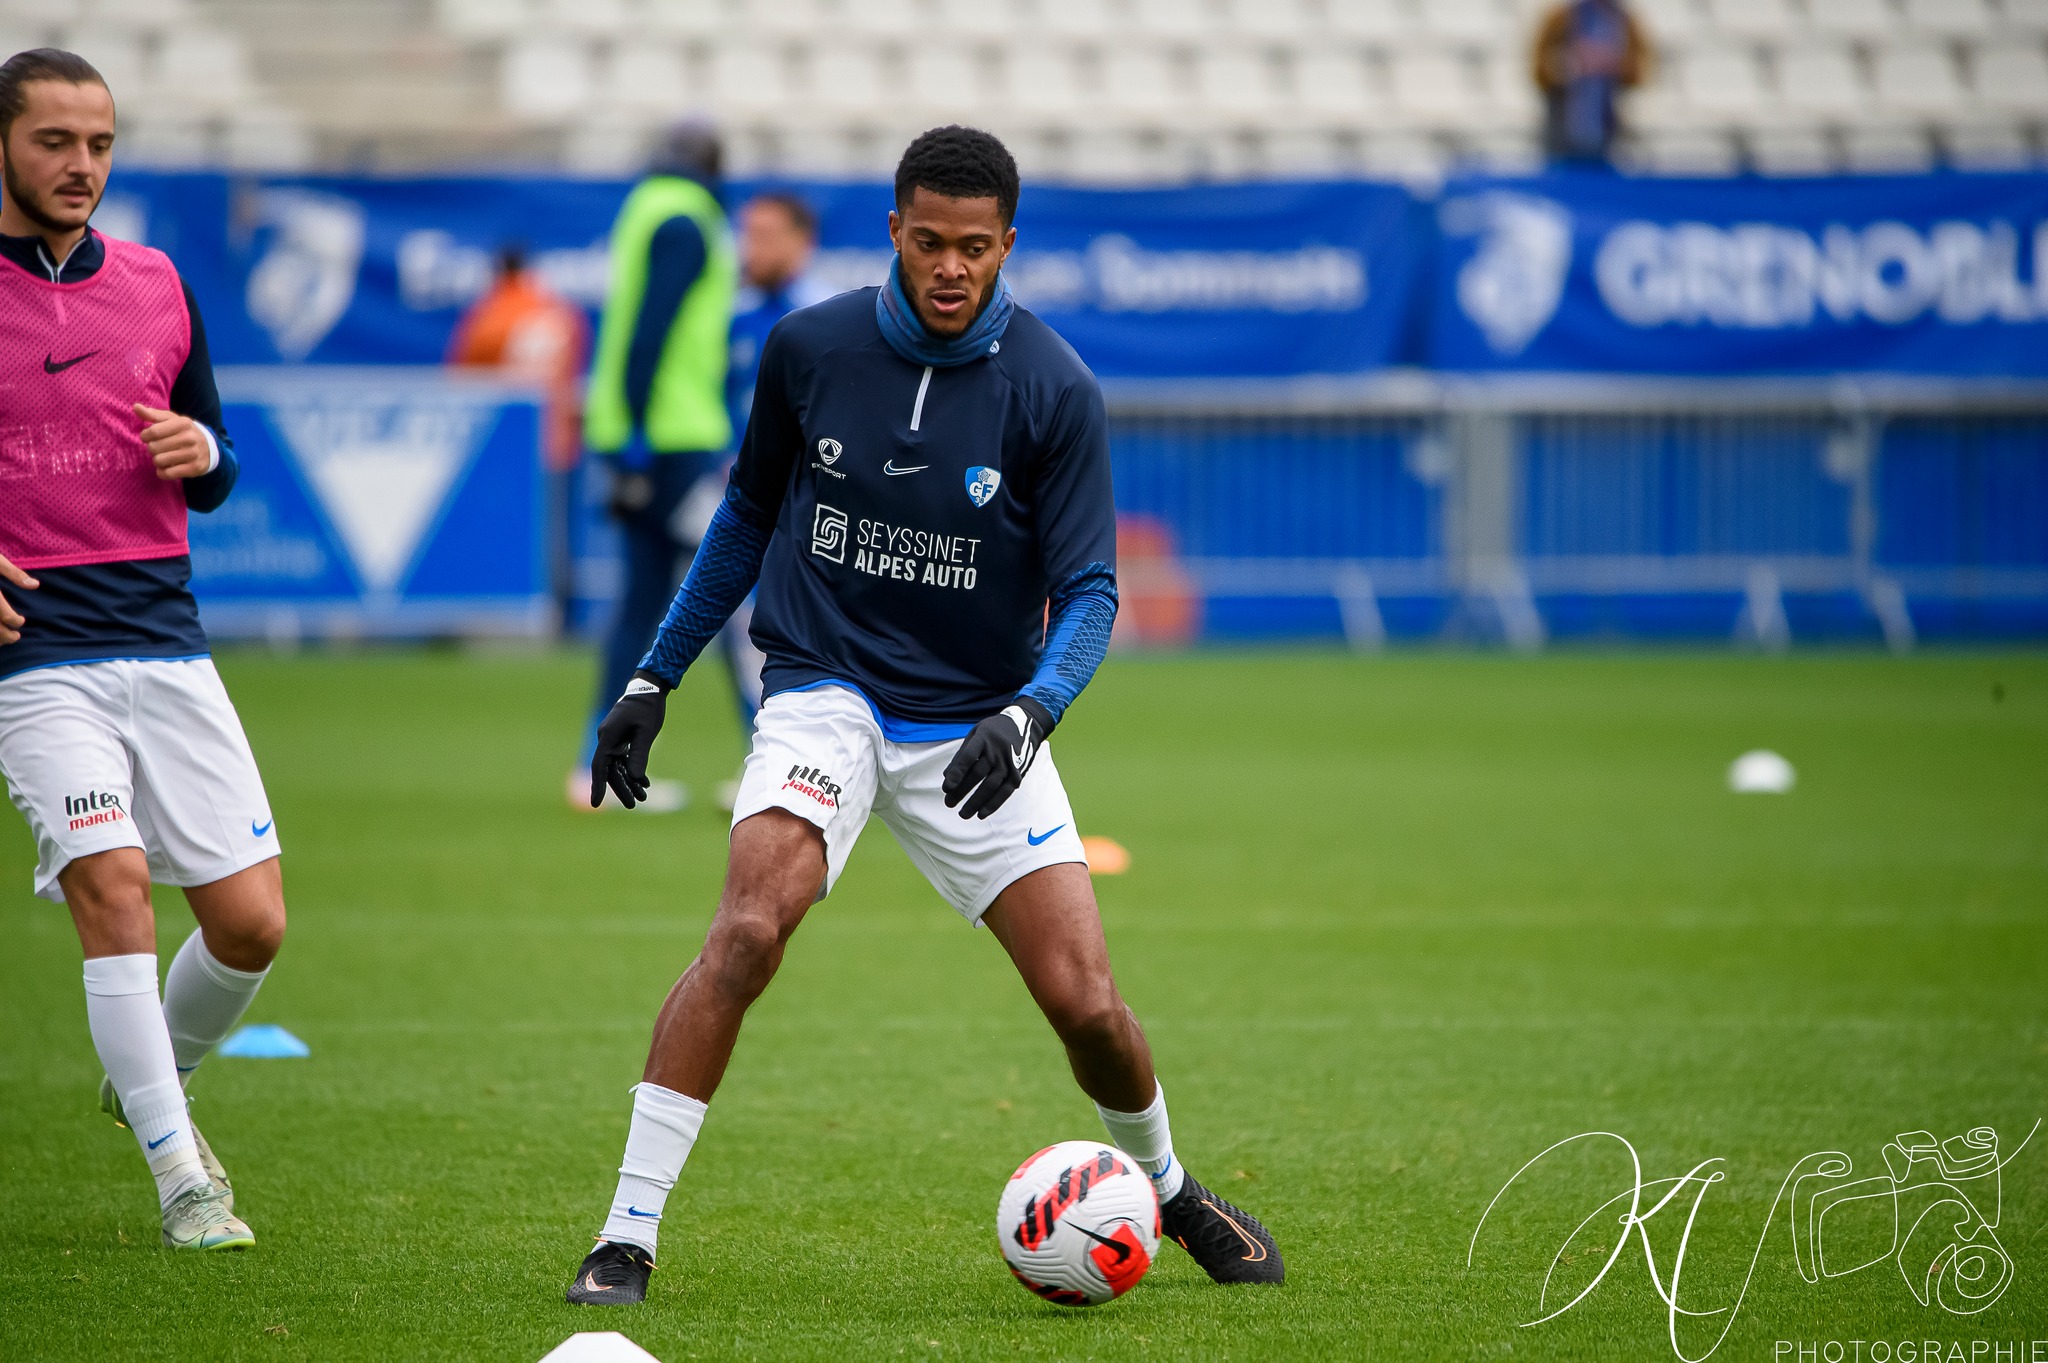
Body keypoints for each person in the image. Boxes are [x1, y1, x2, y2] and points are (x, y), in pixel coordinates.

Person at [563, 125, 1283, 1306]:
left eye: (975, 249)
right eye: (929, 243)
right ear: (895, 232)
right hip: (822, 690)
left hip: (975, 728)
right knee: (747, 931)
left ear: (1007, 246)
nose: (950, 269)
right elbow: (746, 519)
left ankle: (1168, 1186)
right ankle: (626, 1234)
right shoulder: (809, 349)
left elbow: (1094, 591)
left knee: (1085, 1005)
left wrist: (1031, 710)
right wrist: (653, 678)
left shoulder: (1052, 387)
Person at [0, 49, 285, 1252]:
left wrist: (202, 455)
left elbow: (217, 457)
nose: (81, 166)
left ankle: (147, 1079)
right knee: (113, 889)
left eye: (100, 144)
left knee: (252, 926)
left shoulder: (160, 281)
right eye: (55, 141)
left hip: (164, 636)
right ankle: (183, 1178)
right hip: (36, 653)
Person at [576, 120, 737, 812]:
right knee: (738, 589)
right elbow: (653, 330)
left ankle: (599, 761)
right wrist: (642, 436)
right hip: (671, 439)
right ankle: (779, 757)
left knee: (642, 602)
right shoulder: (688, 221)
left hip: (640, 433)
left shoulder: (643, 210)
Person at [446, 241, 589, 634]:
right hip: (559, 440)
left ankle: (505, 622)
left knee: (508, 541)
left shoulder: (487, 317)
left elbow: (461, 384)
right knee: (559, 541)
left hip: (505, 452)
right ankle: (565, 620)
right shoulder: (559, 312)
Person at [1532, 0, 1650, 165]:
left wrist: (1611, 64)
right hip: (1562, 130)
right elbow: (1539, 70)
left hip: (1608, 131)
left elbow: (1641, 70)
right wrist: (1570, 64)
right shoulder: (1561, 18)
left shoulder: (1624, 21)